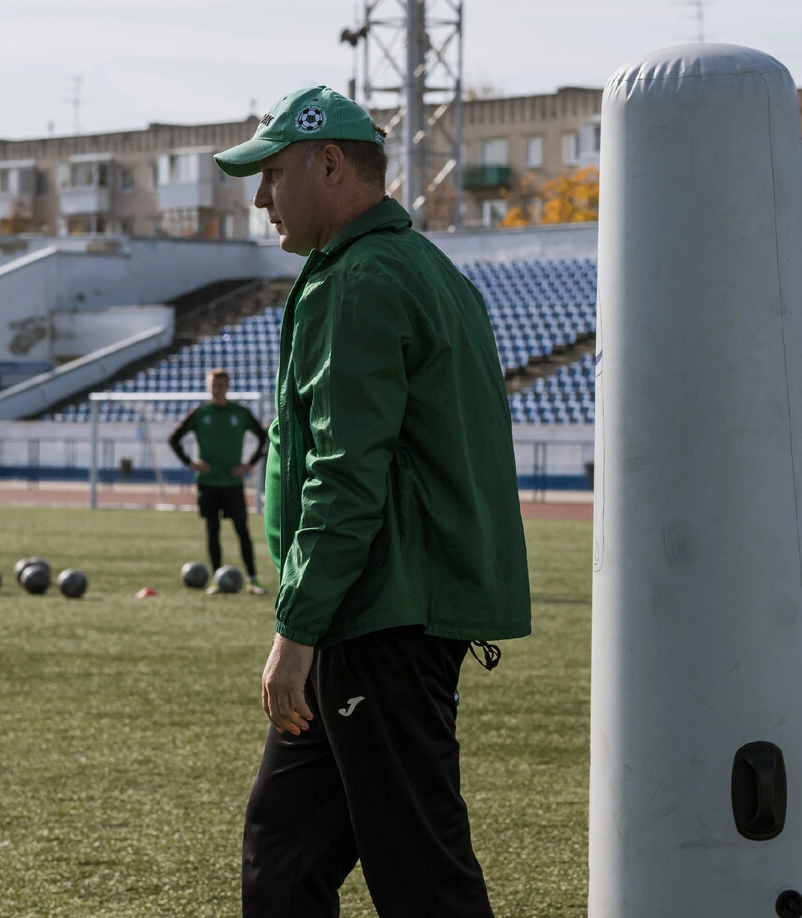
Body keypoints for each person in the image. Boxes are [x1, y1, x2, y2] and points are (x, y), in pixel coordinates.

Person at [214, 85, 531, 918]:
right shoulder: (423, 270)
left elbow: (346, 474)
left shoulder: (359, 280)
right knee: (283, 852)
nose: (259, 198)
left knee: (419, 870)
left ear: (329, 163)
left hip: (381, 615)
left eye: (272, 174)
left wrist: (297, 628)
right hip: (378, 610)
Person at [168, 368, 269, 595]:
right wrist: (190, 462)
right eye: (214, 384)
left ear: (228, 386)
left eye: (221, 384)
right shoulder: (200, 413)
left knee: (242, 530)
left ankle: (253, 580)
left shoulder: (240, 413)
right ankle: (217, 579)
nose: (217, 388)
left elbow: (264, 437)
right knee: (212, 531)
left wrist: (250, 464)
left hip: (232, 483)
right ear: (208, 386)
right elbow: (174, 439)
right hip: (208, 483)